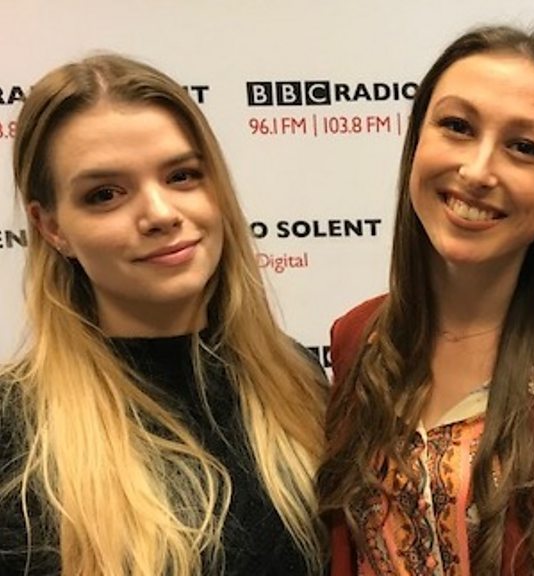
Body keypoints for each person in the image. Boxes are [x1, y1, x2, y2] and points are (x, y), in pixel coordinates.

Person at [317, 25, 534, 576]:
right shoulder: (359, 337)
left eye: (524, 148)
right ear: (416, 141)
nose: (476, 171)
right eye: (457, 126)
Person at [0, 55, 326, 576]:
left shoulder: (295, 380)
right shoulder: (15, 427)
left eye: (182, 176)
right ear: (52, 228)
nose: (160, 213)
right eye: (105, 195)